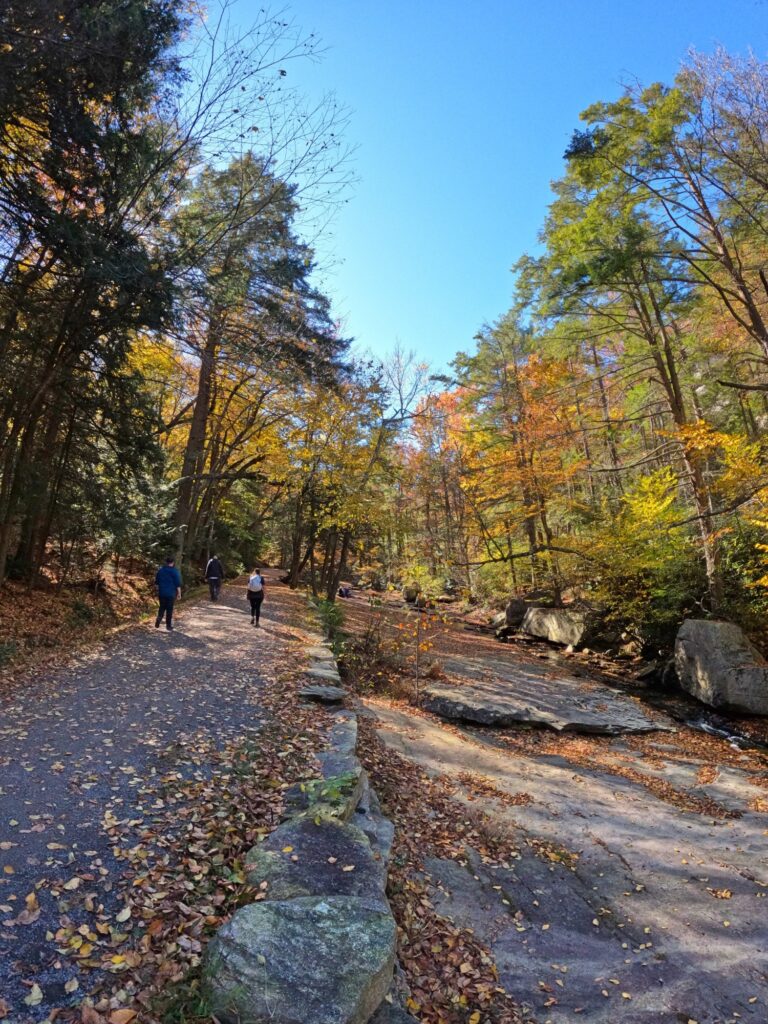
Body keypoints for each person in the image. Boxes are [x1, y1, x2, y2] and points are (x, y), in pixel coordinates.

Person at [155, 556, 182, 631]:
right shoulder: (174, 571)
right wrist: (179, 594)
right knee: (169, 609)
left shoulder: (160, 571)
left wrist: (158, 591)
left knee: (162, 607)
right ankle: (168, 626)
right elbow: (177, 584)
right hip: (170, 593)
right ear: (173, 563)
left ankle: (159, 619)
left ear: (166, 563)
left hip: (162, 593)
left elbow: (156, 583)